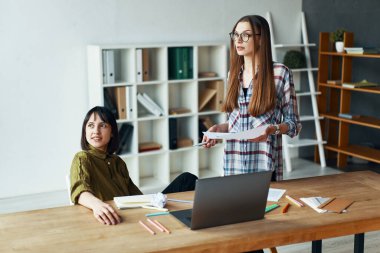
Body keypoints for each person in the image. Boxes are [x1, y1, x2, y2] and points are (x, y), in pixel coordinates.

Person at [203, 15, 302, 182]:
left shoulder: (280, 73)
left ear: (261, 39)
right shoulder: (232, 75)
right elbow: (237, 122)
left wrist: (272, 129)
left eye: (246, 35)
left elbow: (294, 124)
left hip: (264, 165)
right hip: (233, 165)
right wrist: (219, 129)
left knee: (266, 209)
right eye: (235, 34)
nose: (238, 40)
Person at [70, 106, 197, 225]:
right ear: (85, 131)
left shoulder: (117, 162)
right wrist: (97, 205)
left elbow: (136, 195)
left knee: (187, 179)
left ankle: (200, 216)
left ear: (112, 132)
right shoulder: (83, 158)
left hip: (136, 212)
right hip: (114, 217)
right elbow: (80, 191)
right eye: (91, 126)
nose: (95, 131)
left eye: (102, 125)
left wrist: (155, 202)